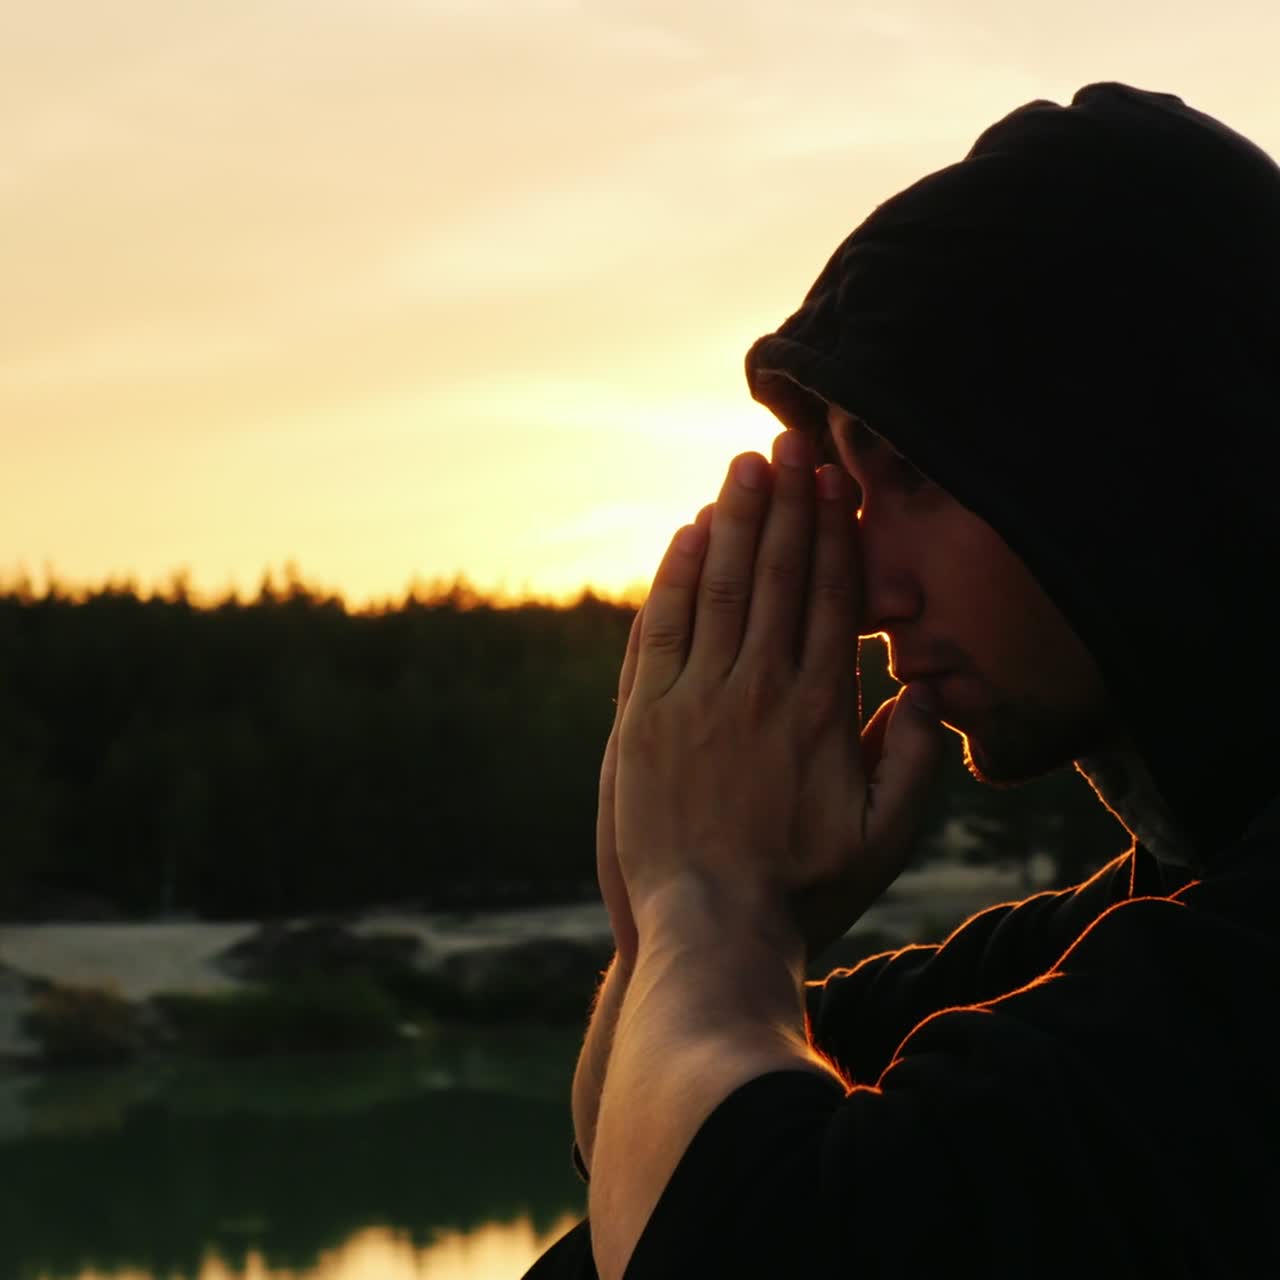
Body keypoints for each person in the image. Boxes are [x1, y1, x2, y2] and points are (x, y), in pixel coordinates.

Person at [525, 82, 1280, 1278]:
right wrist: (674, 908)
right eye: (842, 488)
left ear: (1145, 457)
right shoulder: (1150, 918)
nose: (870, 595)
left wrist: (706, 895)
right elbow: (638, 1142)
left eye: (913, 474)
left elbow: (755, 1241)